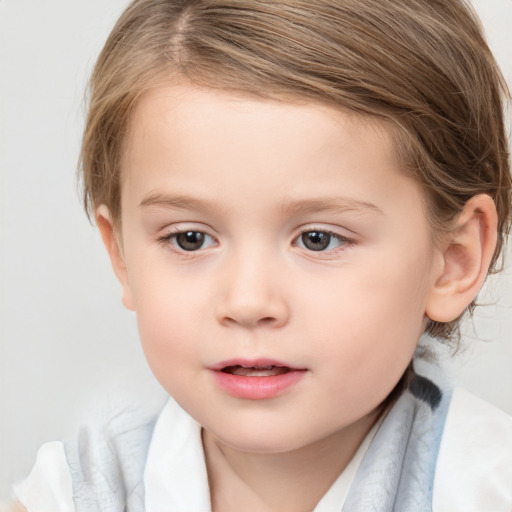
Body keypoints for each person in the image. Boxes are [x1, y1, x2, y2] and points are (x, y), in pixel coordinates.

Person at [10, 0, 512, 510]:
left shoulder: (485, 488)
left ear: (453, 259)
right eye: (190, 239)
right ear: (121, 257)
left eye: (318, 239)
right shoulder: (76, 494)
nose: (248, 301)